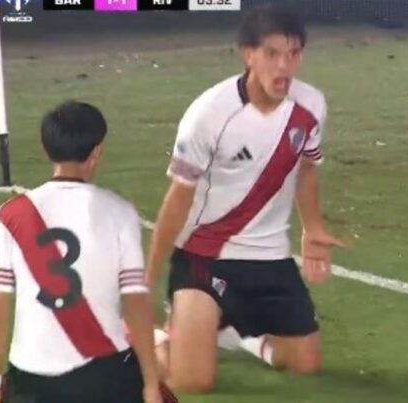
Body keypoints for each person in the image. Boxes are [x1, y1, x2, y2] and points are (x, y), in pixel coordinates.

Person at [146, 2, 348, 392]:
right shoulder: (209, 114)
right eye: (272, 54)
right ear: (248, 53)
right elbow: (177, 201)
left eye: (294, 53)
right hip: (205, 257)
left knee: (305, 363)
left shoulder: (311, 106)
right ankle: (152, 340)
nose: (284, 66)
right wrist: (148, 281)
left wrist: (313, 226)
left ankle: (239, 336)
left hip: (269, 257)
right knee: (192, 381)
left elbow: (307, 165)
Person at [0, 101, 174, 403]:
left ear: (47, 151)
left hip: (31, 383)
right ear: (96, 152)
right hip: (105, 379)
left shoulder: (10, 215)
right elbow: (136, 303)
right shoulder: (119, 213)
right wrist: (150, 384)